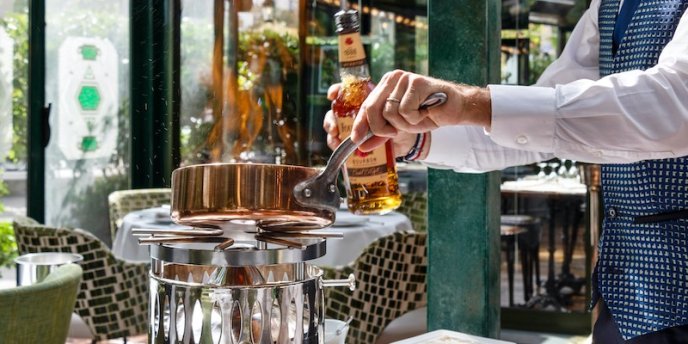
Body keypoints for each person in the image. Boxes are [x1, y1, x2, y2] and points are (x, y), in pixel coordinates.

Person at [323, 0, 688, 343]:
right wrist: (412, 140)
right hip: (628, 297)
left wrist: (470, 102)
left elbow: (674, 105)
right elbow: (539, 121)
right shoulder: (606, 5)